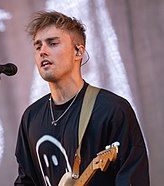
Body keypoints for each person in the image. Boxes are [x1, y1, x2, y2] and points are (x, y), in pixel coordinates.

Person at [14, 11, 150, 186]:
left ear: (78, 51)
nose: (43, 51)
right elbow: (26, 181)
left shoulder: (112, 109)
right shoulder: (31, 117)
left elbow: (132, 179)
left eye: (52, 43)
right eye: (38, 46)